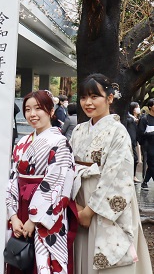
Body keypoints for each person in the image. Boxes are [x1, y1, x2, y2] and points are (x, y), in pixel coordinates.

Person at [70, 73, 151, 273]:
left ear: (110, 97)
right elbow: (67, 167)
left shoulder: (118, 131)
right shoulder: (78, 130)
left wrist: (88, 211)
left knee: (108, 258)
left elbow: (116, 176)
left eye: (94, 96)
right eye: (83, 97)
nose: (87, 102)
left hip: (104, 205)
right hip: (80, 200)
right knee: (81, 255)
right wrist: (76, 205)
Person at [6, 90, 76, 274]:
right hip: (21, 209)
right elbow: (13, 179)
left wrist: (33, 220)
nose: (32, 114)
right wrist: (13, 216)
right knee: (20, 258)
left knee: (42, 262)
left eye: (38, 108)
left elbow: (57, 183)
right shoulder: (22, 142)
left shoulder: (60, 142)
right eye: (27, 109)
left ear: (51, 111)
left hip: (45, 213)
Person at [140, 98, 154, 190]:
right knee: (152, 164)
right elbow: (141, 133)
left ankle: (145, 182)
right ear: (150, 106)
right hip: (148, 146)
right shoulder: (145, 119)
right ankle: (145, 182)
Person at [126, 102, 141, 183]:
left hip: (134, 142)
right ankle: (132, 176)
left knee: (135, 159)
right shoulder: (129, 118)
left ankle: (133, 176)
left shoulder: (137, 119)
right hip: (129, 142)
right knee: (133, 158)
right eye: (137, 107)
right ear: (133, 109)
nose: (139, 108)